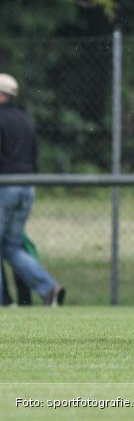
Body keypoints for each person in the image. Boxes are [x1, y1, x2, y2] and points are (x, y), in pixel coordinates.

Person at [0, 73, 65, 306]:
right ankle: (49, 289)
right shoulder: (24, 119)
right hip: (27, 187)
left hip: (5, 187)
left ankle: (4, 301)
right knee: (11, 246)